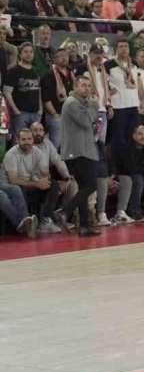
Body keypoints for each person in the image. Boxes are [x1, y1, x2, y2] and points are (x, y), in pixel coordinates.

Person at [55, 72, 101, 237]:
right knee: (91, 186)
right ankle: (64, 211)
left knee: (84, 187)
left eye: (89, 86)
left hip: (82, 151)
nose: (87, 89)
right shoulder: (72, 103)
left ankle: (84, 226)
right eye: (83, 85)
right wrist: (95, 105)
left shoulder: (81, 103)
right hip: (78, 152)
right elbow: (85, 121)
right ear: (75, 87)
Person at [1, 127, 63, 233]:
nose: (27, 142)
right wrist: (36, 183)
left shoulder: (37, 152)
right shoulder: (11, 154)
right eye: (23, 139)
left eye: (29, 139)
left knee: (53, 184)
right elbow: (13, 180)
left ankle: (45, 221)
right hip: (12, 184)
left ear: (33, 140)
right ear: (17, 140)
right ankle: (26, 222)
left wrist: (44, 180)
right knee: (19, 188)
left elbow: (45, 172)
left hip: (29, 182)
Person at [3, 42, 42, 138]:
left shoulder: (36, 71)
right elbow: (7, 93)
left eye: (31, 52)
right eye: (26, 52)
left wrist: (40, 110)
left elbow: (39, 91)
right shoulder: (13, 71)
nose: (29, 54)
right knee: (18, 142)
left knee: (35, 143)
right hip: (20, 114)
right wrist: (16, 111)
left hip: (36, 113)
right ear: (20, 54)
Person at [115, 124, 144, 223]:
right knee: (138, 179)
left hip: (143, 175)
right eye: (140, 134)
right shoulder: (127, 148)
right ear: (134, 135)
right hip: (126, 175)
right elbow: (131, 169)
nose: (143, 137)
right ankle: (134, 212)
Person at [40, 49, 73, 149]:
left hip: (70, 115)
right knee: (55, 144)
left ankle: (66, 164)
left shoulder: (72, 75)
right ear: (54, 60)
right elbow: (46, 97)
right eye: (60, 56)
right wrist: (54, 114)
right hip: (56, 115)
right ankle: (51, 164)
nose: (64, 58)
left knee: (68, 145)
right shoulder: (48, 75)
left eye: (66, 55)